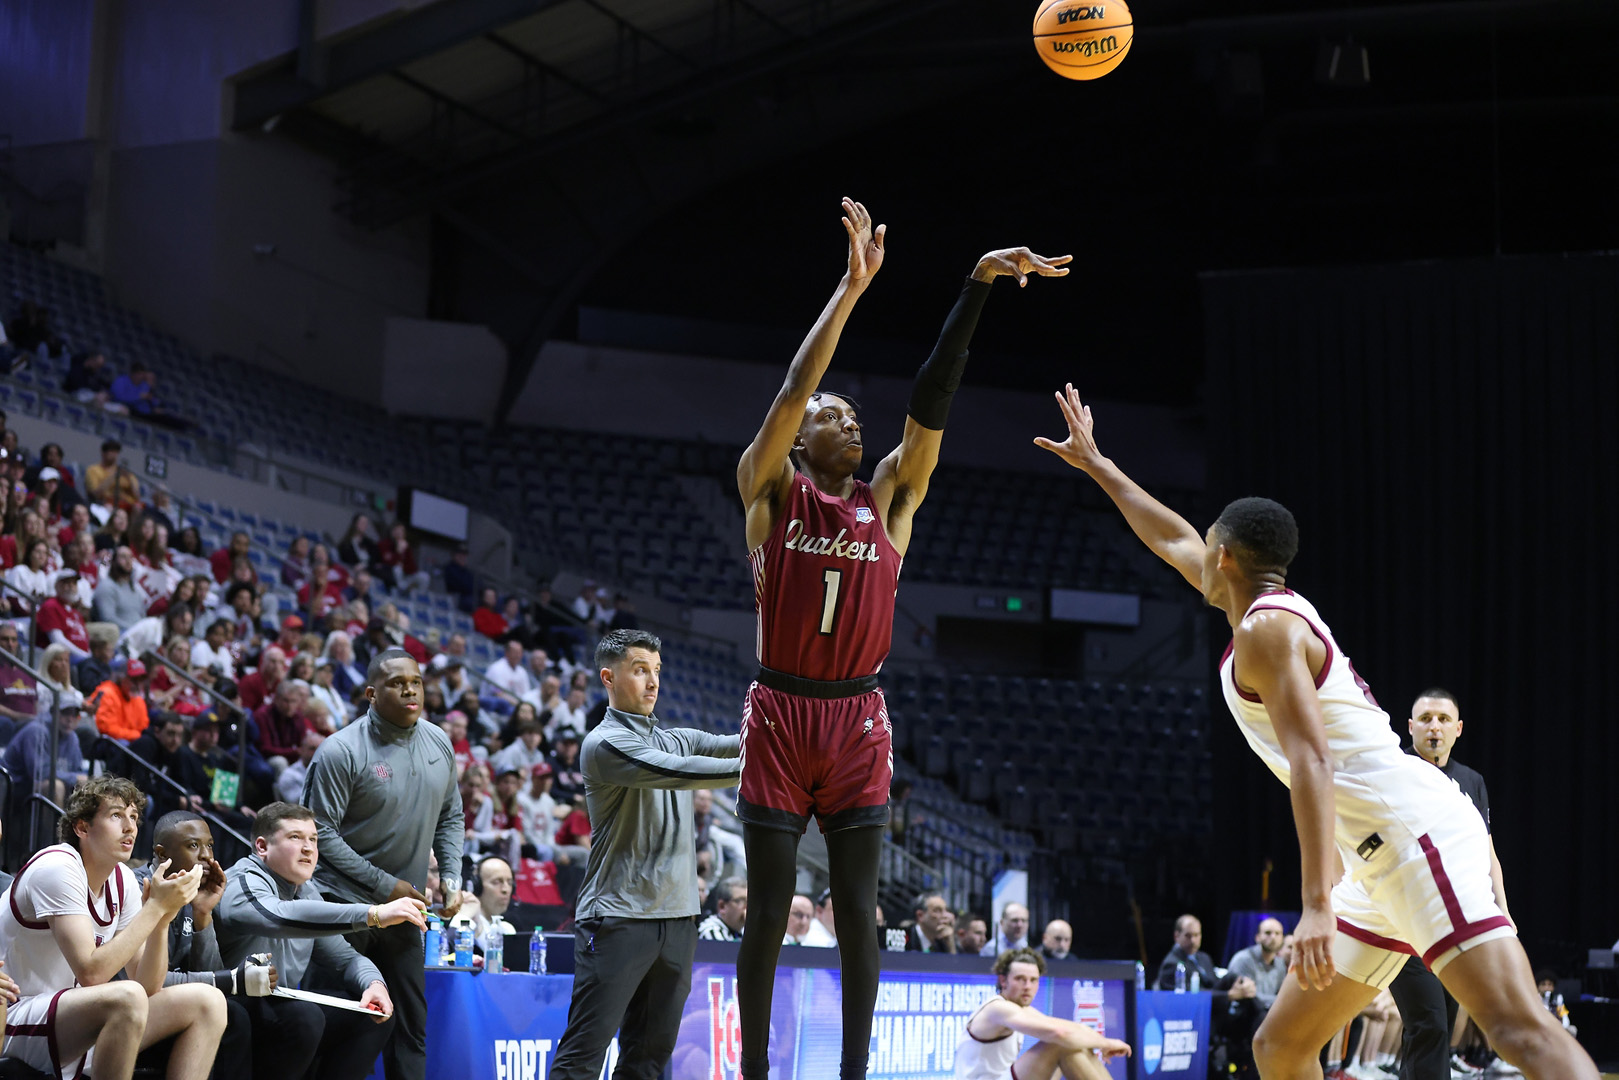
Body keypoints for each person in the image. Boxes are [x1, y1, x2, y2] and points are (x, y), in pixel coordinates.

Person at [1033, 384, 1598, 1079]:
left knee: (1517, 1030)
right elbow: (1171, 536)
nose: (1197, 549)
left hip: (1410, 834)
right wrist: (1098, 466)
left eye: (1208, 544)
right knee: (1280, 1047)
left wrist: (1313, 906)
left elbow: (1311, 762)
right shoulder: (1259, 609)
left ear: (1227, 558)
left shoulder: (1267, 629)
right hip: (1374, 857)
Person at [733, 197, 1070, 1080]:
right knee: (768, 914)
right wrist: (849, 291)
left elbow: (932, 402)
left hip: (856, 723)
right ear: (801, 438)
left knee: (855, 915)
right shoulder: (768, 491)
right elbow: (794, 388)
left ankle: (849, 1075)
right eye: (831, 414)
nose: (847, 420)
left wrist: (977, 287)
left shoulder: (889, 500)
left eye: (852, 415)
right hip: (778, 711)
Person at [548, 628, 741, 1080]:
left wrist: (786, 728)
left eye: (656, 671)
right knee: (583, 1056)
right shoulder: (606, 744)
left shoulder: (673, 737)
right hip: (618, 917)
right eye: (639, 671)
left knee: (649, 1062)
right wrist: (758, 767)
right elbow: (682, 772)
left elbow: (736, 742)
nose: (653, 681)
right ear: (608, 678)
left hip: (677, 921)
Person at [301, 649, 464, 1080]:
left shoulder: (438, 742)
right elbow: (320, 835)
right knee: (338, 1021)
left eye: (416, 681)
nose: (410, 689)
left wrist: (450, 875)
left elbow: (451, 816)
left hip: (406, 909)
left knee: (411, 1028)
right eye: (396, 683)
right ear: (371, 693)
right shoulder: (340, 750)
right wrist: (384, 884)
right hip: (342, 907)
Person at [0, 774, 227, 1080]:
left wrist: (161, 921)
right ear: (82, 827)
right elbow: (91, 973)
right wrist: (155, 907)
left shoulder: (122, 879)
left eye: (134, 817)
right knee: (125, 997)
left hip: (74, 1018)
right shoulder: (57, 867)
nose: (130, 826)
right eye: (116, 815)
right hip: (15, 1016)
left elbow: (148, 986)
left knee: (208, 1001)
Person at [216, 801, 421, 1080]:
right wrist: (373, 913)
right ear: (262, 847)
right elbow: (278, 916)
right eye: (295, 837)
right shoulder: (240, 881)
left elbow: (346, 958)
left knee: (372, 1016)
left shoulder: (306, 890)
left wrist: (374, 984)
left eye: (313, 839)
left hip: (277, 1005)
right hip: (229, 1003)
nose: (309, 848)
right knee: (303, 1017)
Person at [1389, 687, 1511, 1080]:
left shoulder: (1472, 781)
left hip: (1454, 925)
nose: (1434, 727)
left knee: (1436, 1029)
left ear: (1458, 729)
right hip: (1403, 923)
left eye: (1443, 720)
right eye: (1425, 719)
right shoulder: (1393, 771)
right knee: (1431, 1026)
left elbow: (1488, 856)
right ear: (1410, 727)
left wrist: (1504, 916)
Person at [138, 811, 273, 1080]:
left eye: (209, 845)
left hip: (178, 1005)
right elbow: (147, 981)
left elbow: (208, 970)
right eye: (193, 845)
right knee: (233, 1015)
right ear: (162, 854)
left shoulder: (191, 891)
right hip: (138, 1007)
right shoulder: (136, 887)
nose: (207, 856)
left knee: (271, 1017)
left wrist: (202, 914)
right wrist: (231, 979)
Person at [954, 948, 1130, 1080]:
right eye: (1020, 979)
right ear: (1003, 980)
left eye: (1033, 980)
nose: (1027, 986)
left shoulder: (1020, 1009)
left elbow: (1074, 1029)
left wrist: (1101, 1043)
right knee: (1058, 1043)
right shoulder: (998, 1009)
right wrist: (1106, 1042)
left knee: (1074, 1044)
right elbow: (1059, 1033)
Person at [1227, 917, 1289, 1016]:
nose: (1273, 937)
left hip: (1268, 1012)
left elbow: (1281, 994)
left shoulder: (1280, 963)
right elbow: (1249, 996)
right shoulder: (1244, 959)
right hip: (1242, 1015)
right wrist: (1281, 1001)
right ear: (1257, 937)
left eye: (1278, 933)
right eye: (1268, 933)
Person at [93, 655, 152, 742]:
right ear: (121, 677)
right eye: (134, 680)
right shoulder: (107, 693)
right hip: (108, 744)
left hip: (129, 742)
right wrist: (136, 735)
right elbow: (106, 728)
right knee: (123, 743)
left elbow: (143, 728)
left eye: (141, 681)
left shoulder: (138, 700)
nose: (138, 685)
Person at [84, 438, 141, 511]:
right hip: (104, 503)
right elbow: (95, 494)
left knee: (138, 508)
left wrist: (129, 479)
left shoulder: (125, 472)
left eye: (116, 451)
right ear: (103, 452)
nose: (114, 454)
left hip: (126, 505)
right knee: (109, 508)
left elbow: (137, 497)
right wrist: (115, 476)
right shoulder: (92, 470)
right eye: (110, 450)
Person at [276, 729, 325, 803]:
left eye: (320, 748)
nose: (317, 752)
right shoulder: (289, 775)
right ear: (301, 750)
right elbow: (296, 802)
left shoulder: (331, 770)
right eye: (312, 749)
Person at [698, 878, 749, 942]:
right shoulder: (711, 931)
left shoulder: (743, 930)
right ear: (722, 906)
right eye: (740, 901)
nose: (747, 906)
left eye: (749, 901)